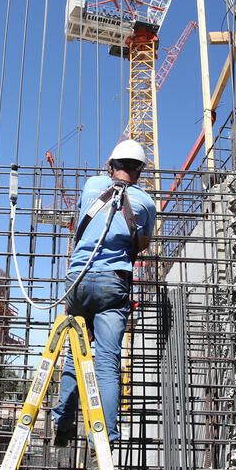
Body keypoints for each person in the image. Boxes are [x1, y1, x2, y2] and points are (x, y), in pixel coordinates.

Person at [52, 138, 156, 447]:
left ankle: (63, 423)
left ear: (110, 167)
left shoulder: (91, 185)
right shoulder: (146, 203)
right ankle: (105, 440)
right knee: (108, 362)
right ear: (138, 173)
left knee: (74, 355)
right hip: (113, 282)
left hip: (78, 279)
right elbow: (141, 244)